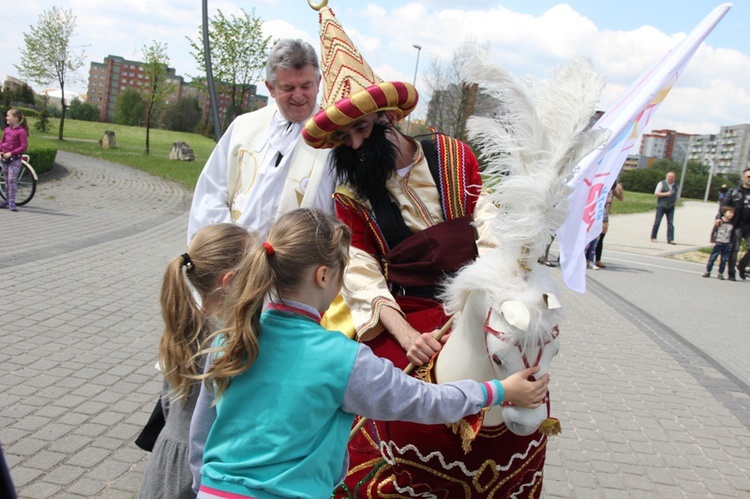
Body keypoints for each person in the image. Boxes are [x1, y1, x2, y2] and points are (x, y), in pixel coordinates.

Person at [301, 5, 549, 496]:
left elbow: (490, 222)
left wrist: (494, 287)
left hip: (480, 294)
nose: (354, 145)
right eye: (344, 138)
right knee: (389, 387)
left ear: (389, 118)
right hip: (407, 310)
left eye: (363, 129)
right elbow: (361, 272)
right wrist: (406, 332)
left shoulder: (455, 155)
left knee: (525, 361)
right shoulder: (349, 196)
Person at [189, 208, 549, 499]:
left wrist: (201, 487)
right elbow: (425, 400)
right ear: (324, 276)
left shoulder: (232, 338)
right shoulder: (341, 358)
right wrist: (499, 391)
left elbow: (201, 431)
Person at [138, 223, 258, 499]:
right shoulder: (231, 341)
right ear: (229, 282)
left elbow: (168, 402)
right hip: (201, 470)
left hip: (167, 461)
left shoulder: (184, 322)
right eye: (255, 270)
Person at [186, 39, 334, 243]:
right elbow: (211, 192)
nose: (298, 96)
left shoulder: (335, 136)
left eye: (306, 86)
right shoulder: (243, 127)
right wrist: (228, 247)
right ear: (270, 88)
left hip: (302, 266)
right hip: (238, 259)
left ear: (318, 82)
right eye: (288, 88)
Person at [720, 167, 750, 281]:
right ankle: (731, 273)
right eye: (748, 176)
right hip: (737, 224)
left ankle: (742, 265)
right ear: (743, 178)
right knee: (735, 249)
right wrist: (720, 218)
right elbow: (724, 205)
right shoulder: (734, 191)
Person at [0, 109, 30, 212]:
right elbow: (2, 143)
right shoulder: (7, 130)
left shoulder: (21, 132)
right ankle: (7, 200)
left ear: (16, 118)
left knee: (12, 179)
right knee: (7, 180)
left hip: (15, 160)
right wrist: (1, 152)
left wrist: (12, 153)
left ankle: (12, 202)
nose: (6, 118)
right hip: (5, 160)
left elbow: (24, 146)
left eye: (8, 116)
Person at [594, 180, 624, 268]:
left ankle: (597, 260)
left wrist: (620, 190)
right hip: (595, 214)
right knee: (592, 237)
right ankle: (587, 258)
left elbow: (620, 198)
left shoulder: (612, 189)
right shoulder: (600, 186)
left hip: (604, 216)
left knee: (601, 237)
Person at [703, 206, 734, 280]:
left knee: (723, 259)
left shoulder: (732, 223)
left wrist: (731, 243)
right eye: (730, 212)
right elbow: (713, 232)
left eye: (733, 213)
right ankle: (708, 271)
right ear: (724, 213)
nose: (731, 214)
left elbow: (732, 235)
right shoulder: (719, 222)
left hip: (726, 243)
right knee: (713, 258)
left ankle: (720, 273)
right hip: (718, 242)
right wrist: (712, 241)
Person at [650, 171, 678, 244]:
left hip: (671, 207)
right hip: (661, 206)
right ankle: (653, 237)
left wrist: (674, 203)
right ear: (666, 177)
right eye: (669, 177)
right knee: (657, 221)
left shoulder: (675, 186)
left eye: (672, 177)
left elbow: (677, 196)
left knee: (670, 223)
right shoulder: (661, 183)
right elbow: (656, 193)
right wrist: (666, 194)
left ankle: (670, 239)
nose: (671, 179)